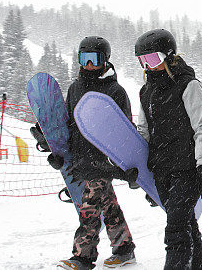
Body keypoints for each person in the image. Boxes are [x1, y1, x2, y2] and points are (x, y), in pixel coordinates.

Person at [51, 36, 136, 270]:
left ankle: (83, 256)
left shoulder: (115, 91)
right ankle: (124, 248)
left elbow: (125, 129)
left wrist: (124, 162)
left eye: (94, 59)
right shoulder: (75, 89)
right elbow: (68, 125)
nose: (88, 65)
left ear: (105, 61)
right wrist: (59, 152)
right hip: (81, 160)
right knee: (108, 206)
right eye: (84, 59)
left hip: (104, 161)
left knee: (88, 210)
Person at [134, 28, 202, 270]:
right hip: (162, 171)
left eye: (153, 59)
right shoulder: (146, 91)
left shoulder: (188, 86)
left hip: (187, 169)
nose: (148, 66)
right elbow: (143, 132)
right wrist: (139, 171)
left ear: (169, 56)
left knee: (176, 231)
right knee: (188, 224)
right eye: (142, 61)